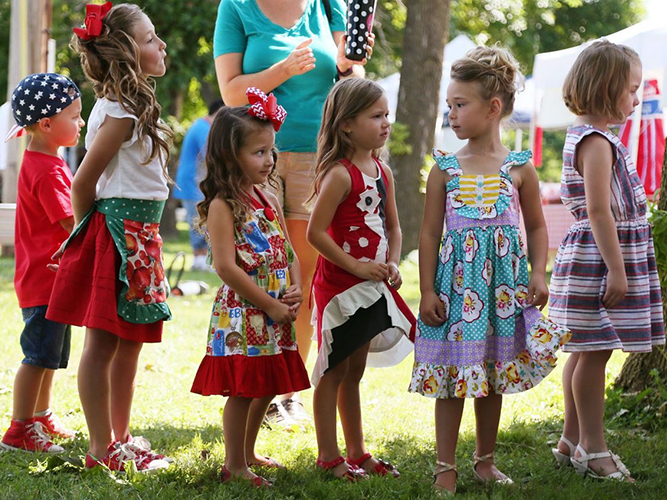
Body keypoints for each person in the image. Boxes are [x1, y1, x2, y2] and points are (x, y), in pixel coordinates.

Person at [408, 46, 571, 494]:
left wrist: (539, 272)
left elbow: (537, 226)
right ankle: (445, 467)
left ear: (493, 108)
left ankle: (484, 461)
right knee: (450, 378)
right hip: (455, 290)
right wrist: (426, 290)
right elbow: (428, 234)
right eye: (449, 106)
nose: (452, 114)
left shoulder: (519, 168)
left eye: (460, 105)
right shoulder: (443, 168)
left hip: (502, 291)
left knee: (491, 372)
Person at [213, 0, 373, 428]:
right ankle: (250, 385)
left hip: (312, 155)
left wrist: (347, 65)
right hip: (254, 157)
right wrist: (282, 70)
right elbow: (230, 92)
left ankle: (286, 392)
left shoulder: (329, 6)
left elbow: (350, 83)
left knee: (300, 276)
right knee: (261, 272)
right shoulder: (237, 7)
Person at [46, 2, 173, 472]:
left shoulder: (134, 105)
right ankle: (101, 448)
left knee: (131, 341)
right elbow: (82, 182)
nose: (160, 45)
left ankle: (121, 437)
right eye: (148, 39)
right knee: (101, 346)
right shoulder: (119, 111)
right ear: (123, 52)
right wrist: (84, 238)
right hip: (116, 236)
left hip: (142, 235)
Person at [548, 40, 665, 481]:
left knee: (583, 352)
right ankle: (594, 450)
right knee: (593, 353)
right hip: (601, 260)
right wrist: (618, 269)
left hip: (593, 255)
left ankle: (570, 440)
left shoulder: (589, 136)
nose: (636, 99)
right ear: (605, 87)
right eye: (631, 89)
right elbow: (599, 211)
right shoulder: (596, 142)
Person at [190, 88, 310, 487]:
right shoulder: (224, 205)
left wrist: (294, 286)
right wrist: (269, 305)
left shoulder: (268, 195)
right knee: (243, 390)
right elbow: (225, 266)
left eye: (270, 151)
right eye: (259, 152)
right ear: (230, 155)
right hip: (244, 313)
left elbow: (288, 250)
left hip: (275, 308)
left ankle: (250, 450)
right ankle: (233, 464)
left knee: (268, 385)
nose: (270, 160)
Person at [306, 78, 415, 480]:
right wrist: (357, 267)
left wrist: (392, 262)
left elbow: (394, 226)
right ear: (347, 124)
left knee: (355, 370)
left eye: (387, 114)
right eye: (376, 115)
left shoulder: (383, 171)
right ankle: (328, 455)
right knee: (334, 370)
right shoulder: (339, 175)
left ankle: (357, 450)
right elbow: (314, 234)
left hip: (372, 284)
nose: (386, 122)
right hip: (341, 288)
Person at [0, 73, 83, 453]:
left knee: (51, 356)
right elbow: (70, 222)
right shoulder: (47, 170)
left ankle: (41, 416)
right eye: (75, 116)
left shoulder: (46, 160)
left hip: (52, 281)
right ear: (47, 124)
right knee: (37, 357)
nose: (81, 123)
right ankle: (19, 429)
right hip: (43, 281)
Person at [173, 99, 223, 271]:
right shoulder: (204, 128)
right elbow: (212, 155)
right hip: (193, 183)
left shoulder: (200, 125)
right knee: (198, 220)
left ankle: (202, 260)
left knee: (200, 219)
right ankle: (200, 260)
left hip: (194, 182)